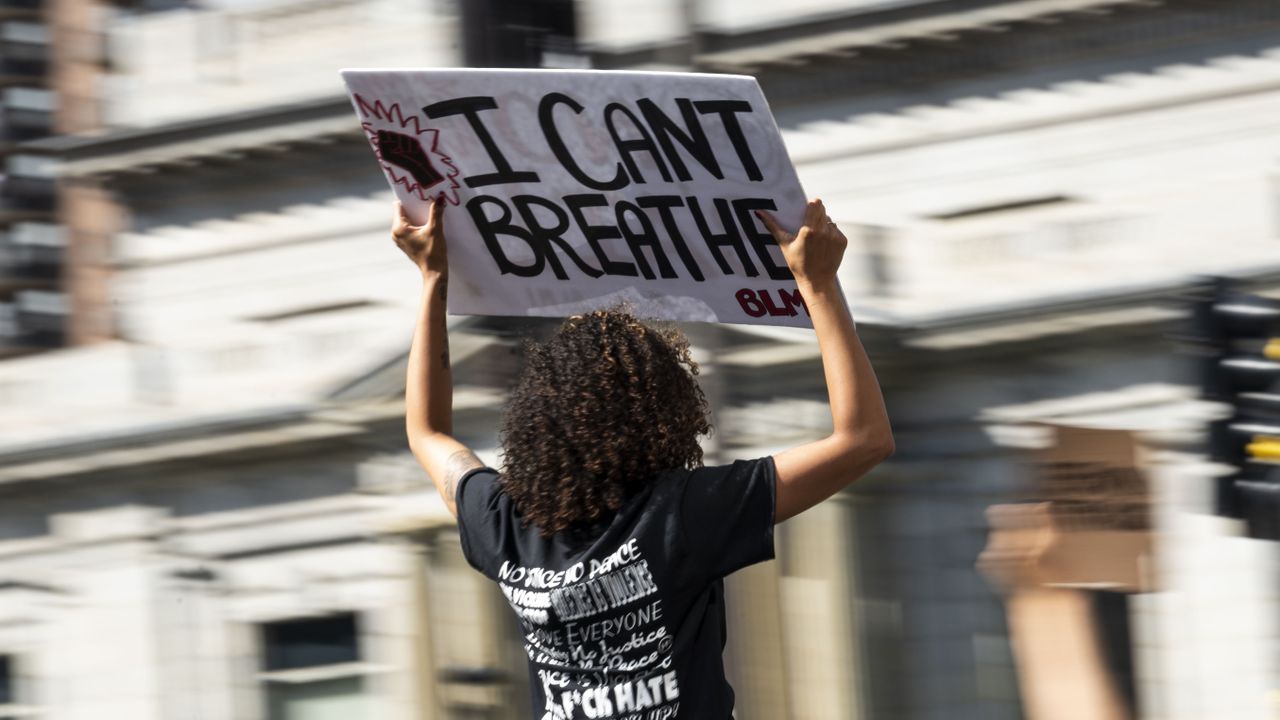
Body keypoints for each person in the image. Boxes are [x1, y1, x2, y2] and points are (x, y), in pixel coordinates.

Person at [393, 193, 894, 720]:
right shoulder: (681, 515)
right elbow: (864, 439)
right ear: (667, 415)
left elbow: (426, 430)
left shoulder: (506, 525)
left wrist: (433, 278)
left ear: (537, 420)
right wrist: (817, 284)